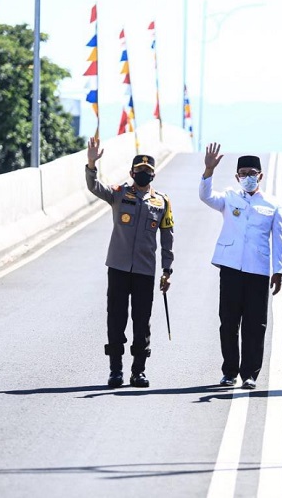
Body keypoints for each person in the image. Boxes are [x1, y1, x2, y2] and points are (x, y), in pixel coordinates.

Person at [85, 137, 174, 388]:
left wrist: (167, 269)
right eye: (139, 171)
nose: (143, 174)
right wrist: (91, 163)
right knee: (116, 318)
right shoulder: (119, 193)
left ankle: (138, 371)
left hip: (145, 271)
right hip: (118, 267)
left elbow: (167, 237)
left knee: (141, 321)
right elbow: (94, 187)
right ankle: (115, 370)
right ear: (131, 172)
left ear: (154, 175)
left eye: (147, 172)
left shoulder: (162, 202)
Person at [199, 143, 282, 390]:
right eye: (243, 173)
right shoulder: (229, 197)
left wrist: (279, 270)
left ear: (261, 176)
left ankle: (250, 374)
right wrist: (208, 170)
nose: (248, 177)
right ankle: (229, 372)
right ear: (237, 177)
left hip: (258, 270)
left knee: (255, 324)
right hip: (230, 268)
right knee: (228, 321)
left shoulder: (272, 204)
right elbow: (206, 196)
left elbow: (279, 240)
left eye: (252, 173)